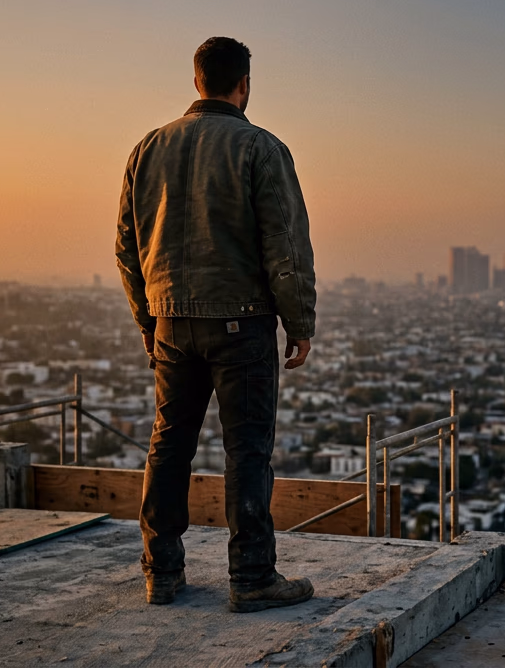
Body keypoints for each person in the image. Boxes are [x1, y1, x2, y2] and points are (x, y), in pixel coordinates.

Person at [115, 37, 317, 612]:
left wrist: (147, 320)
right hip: (243, 324)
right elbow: (284, 245)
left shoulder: (147, 149)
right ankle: (251, 577)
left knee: (169, 446)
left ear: (197, 81)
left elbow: (127, 249)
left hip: (172, 323)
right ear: (244, 85)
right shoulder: (259, 148)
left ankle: (162, 573)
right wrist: (299, 321)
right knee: (247, 452)